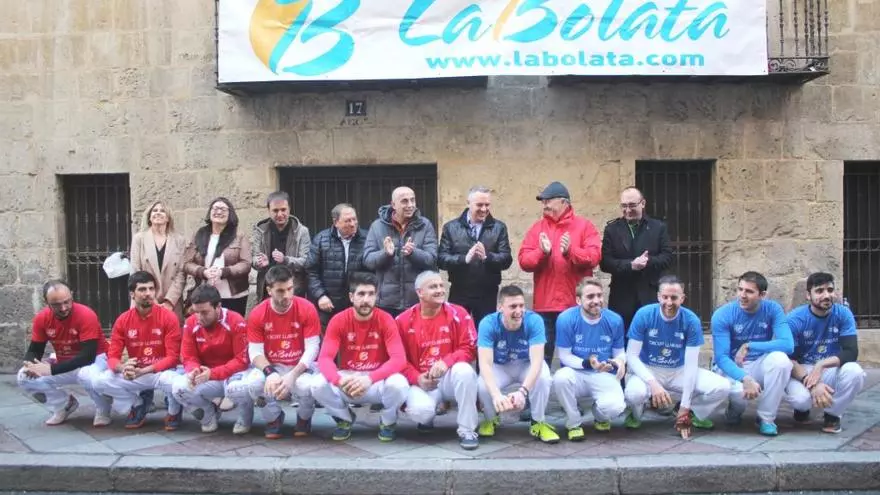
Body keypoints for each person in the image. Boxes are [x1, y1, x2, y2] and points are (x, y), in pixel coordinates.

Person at [623, 275, 730, 437]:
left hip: (679, 370)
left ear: (682, 298)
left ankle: (692, 413)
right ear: (658, 297)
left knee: (722, 387)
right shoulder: (644, 314)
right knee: (634, 393)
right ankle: (637, 413)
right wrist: (653, 383)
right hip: (648, 369)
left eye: (674, 298)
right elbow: (631, 356)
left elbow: (691, 365)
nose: (669, 302)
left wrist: (685, 407)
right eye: (665, 297)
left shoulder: (691, 320)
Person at [311, 273, 409, 442]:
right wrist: (339, 380)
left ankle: (388, 421)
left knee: (399, 384)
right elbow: (325, 358)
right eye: (361, 294)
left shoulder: (386, 319)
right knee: (316, 384)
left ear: (376, 296)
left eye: (371, 294)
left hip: (376, 380)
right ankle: (344, 418)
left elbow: (399, 359)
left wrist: (370, 379)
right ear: (351, 297)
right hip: (348, 380)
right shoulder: (339, 320)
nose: (366, 300)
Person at [226, 265, 321, 439]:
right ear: (269, 290)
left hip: (300, 365)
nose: (287, 295)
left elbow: (313, 348)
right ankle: (274, 418)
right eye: (280, 291)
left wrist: (293, 375)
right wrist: (270, 373)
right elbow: (255, 352)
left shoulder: (307, 308)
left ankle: (304, 418)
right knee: (255, 384)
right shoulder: (258, 313)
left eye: (290, 289)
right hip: (272, 365)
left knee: (306, 386)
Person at [518, 181, 602, 366]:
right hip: (545, 306)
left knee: (575, 357)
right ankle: (540, 385)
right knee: (541, 359)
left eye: (548, 200)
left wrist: (571, 251)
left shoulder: (585, 226)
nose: (544, 204)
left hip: (575, 305)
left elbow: (594, 257)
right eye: (543, 201)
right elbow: (524, 261)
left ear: (564, 202)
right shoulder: (537, 228)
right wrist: (542, 253)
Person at [397, 271, 479, 450]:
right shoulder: (403, 321)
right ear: (420, 292)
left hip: (450, 377)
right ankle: (427, 418)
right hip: (423, 380)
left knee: (465, 371)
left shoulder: (459, 313)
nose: (440, 290)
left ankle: (467, 430)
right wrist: (417, 378)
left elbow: (470, 348)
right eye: (433, 287)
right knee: (420, 412)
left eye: (441, 285)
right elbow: (398, 360)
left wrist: (446, 362)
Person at [93, 271, 182, 429]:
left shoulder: (168, 317)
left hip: (161, 373)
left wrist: (145, 370)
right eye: (142, 289)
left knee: (177, 383)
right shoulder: (123, 320)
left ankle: (174, 410)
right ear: (132, 294)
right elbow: (112, 357)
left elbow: (173, 358)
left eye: (151, 289)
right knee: (98, 382)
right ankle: (139, 403)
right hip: (136, 372)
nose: (148, 293)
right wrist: (123, 367)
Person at [711, 271, 794, 436]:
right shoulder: (722, 314)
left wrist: (750, 346)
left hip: (758, 362)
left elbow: (788, 345)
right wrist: (745, 378)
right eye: (740, 289)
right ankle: (735, 409)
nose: (742, 295)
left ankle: (766, 418)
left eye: (749, 291)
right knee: (739, 396)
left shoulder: (773, 309)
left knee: (781, 361)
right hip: (732, 365)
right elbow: (721, 357)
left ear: (762, 295)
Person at [17, 280, 111, 426]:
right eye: (56, 305)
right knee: (24, 377)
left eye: (67, 302)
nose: (63, 308)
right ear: (46, 302)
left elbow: (88, 356)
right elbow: (35, 349)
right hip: (64, 362)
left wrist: (51, 369)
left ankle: (103, 408)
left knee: (87, 376)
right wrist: (30, 364)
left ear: (72, 295)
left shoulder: (86, 314)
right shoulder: (42, 318)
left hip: (95, 360)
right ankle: (64, 405)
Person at [476, 285, 559, 444]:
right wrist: (496, 395)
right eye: (513, 306)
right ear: (500, 307)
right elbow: (485, 364)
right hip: (500, 365)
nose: (519, 311)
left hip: (525, 364)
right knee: (482, 384)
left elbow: (537, 362)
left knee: (543, 377)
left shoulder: (534, 321)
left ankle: (538, 422)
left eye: (521, 306)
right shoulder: (488, 323)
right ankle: (491, 419)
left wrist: (522, 392)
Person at [786, 272, 866, 434]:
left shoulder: (843, 314)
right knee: (801, 400)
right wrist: (813, 384)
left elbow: (851, 352)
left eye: (830, 290)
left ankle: (832, 414)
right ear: (808, 295)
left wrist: (821, 365)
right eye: (819, 291)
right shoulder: (795, 319)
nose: (826, 295)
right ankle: (802, 410)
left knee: (855, 372)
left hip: (829, 366)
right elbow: (788, 359)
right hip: (801, 369)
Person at [552, 278, 627, 440]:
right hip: (577, 372)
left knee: (616, 407)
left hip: (604, 373)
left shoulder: (614, 320)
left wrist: (619, 362)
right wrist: (588, 363)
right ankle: (574, 423)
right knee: (560, 378)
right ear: (579, 300)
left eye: (599, 295)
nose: (596, 301)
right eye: (590, 296)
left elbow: (620, 353)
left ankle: (600, 416)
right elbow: (564, 356)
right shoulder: (566, 319)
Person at [170, 285, 250, 434]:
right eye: (196, 312)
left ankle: (245, 418)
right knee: (179, 388)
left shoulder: (236, 320)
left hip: (234, 374)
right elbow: (188, 356)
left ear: (218, 307)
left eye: (205, 312)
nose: (199, 317)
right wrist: (193, 370)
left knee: (239, 388)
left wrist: (213, 373)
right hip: (206, 375)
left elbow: (242, 360)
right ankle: (209, 415)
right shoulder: (191, 323)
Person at [599, 187, 673, 333]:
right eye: (624, 206)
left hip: (649, 295)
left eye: (632, 205)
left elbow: (668, 258)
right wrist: (630, 265)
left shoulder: (658, 227)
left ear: (643, 203)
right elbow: (605, 263)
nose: (627, 210)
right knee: (622, 338)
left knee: (651, 337)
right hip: (621, 296)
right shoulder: (612, 229)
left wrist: (647, 262)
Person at [438, 186, 513, 327]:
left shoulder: (499, 227)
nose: (484, 209)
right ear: (468, 203)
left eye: (487, 205)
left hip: (487, 292)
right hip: (460, 290)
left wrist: (487, 257)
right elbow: (441, 259)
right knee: (457, 330)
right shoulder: (451, 227)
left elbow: (506, 259)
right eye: (479, 205)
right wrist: (463, 259)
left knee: (485, 332)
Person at [363, 186, 438, 317]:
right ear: (393, 205)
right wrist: (385, 254)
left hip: (417, 300)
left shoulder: (425, 225)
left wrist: (413, 253)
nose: (410, 205)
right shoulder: (377, 226)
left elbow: (432, 259)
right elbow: (368, 260)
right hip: (386, 302)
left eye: (413, 200)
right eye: (404, 201)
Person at [184, 197, 252, 316]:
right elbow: (187, 263)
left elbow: (246, 264)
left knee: (232, 325)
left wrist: (223, 272)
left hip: (234, 295)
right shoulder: (199, 234)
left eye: (223, 209)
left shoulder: (239, 235)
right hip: (205, 295)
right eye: (215, 208)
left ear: (230, 213)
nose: (218, 212)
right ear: (210, 211)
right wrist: (203, 271)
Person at [306, 203, 368, 328]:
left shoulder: (367, 239)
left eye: (354, 219)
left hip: (357, 305)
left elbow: (372, 272)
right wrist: (320, 295)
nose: (353, 224)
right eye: (347, 221)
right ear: (336, 222)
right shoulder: (321, 240)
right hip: (328, 305)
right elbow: (311, 271)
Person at [129, 200, 187, 321]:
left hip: (171, 302)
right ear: (149, 217)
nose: (158, 213)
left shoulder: (179, 240)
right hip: (144, 299)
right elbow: (136, 271)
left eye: (162, 211)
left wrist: (169, 302)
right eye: (155, 210)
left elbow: (181, 273)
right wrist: (152, 298)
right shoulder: (139, 239)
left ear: (168, 218)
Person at [253, 191, 311, 299]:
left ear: (289, 209)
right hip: (267, 288)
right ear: (268, 211)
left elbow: (306, 261)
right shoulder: (260, 230)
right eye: (275, 210)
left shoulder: (302, 231)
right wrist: (260, 262)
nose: (280, 214)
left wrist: (285, 260)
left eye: (283, 210)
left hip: (293, 289)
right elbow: (254, 259)